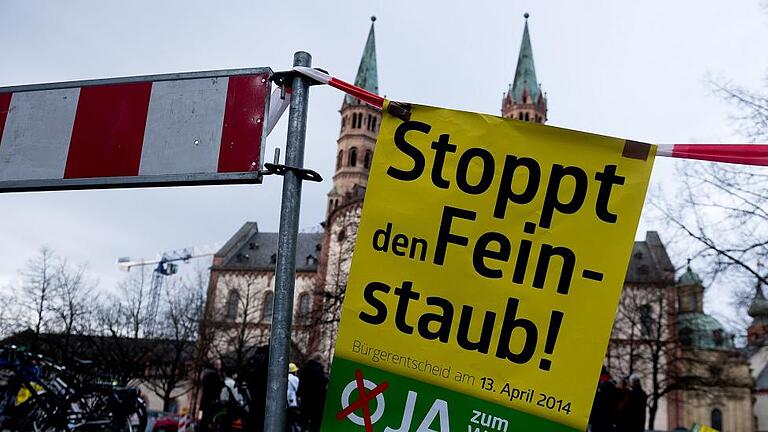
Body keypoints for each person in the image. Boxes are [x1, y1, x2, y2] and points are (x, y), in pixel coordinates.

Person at [298, 354, 329, 432]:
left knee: (304, 424)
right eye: (323, 360)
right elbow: (322, 384)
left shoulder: (304, 369)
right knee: (315, 425)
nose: (323, 362)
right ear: (319, 360)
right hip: (317, 403)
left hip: (305, 401)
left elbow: (300, 386)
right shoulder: (318, 370)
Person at [589, 366, 619, 432]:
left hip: (600, 420)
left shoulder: (603, 386)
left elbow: (597, 404)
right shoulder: (612, 385)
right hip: (607, 420)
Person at [199, 358, 225, 432]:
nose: (220, 366)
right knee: (210, 420)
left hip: (205, 401)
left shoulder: (206, 373)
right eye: (219, 364)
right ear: (216, 365)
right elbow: (220, 386)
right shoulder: (214, 375)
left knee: (204, 420)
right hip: (212, 401)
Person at [287, 363, 301, 432]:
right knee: (293, 420)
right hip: (293, 403)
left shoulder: (283, 378)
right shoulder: (295, 379)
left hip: (286, 403)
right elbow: (298, 390)